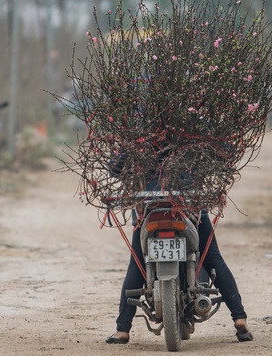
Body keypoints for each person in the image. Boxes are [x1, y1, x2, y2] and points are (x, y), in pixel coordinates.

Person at [105, 145, 252, 344]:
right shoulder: (193, 132)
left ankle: (122, 329)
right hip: (189, 204)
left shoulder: (137, 133)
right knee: (212, 258)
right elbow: (222, 159)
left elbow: (115, 168)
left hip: (149, 206)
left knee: (138, 264)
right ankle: (239, 318)